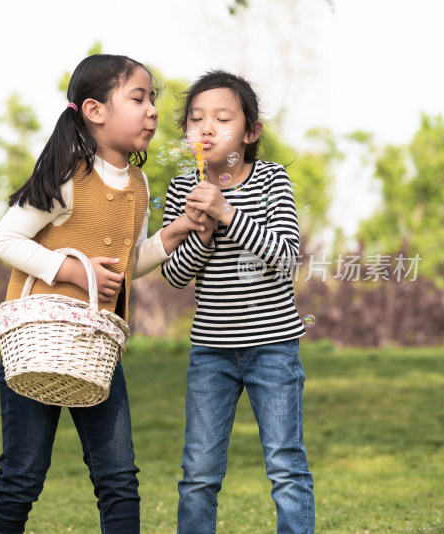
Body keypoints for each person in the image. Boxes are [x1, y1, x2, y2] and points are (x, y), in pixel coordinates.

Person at [0, 54, 203, 534]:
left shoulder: (140, 185)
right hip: (37, 343)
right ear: (94, 110)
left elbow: (126, 266)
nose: (151, 111)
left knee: (119, 477)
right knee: (22, 474)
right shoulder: (68, 173)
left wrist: (175, 233)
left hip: (96, 352)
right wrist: (72, 270)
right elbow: (4, 239)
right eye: (138, 98)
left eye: (153, 101)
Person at [160, 70, 315, 534]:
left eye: (222, 118)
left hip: (273, 346)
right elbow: (174, 275)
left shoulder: (272, 181)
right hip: (211, 350)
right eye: (196, 119)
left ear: (251, 133)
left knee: (286, 466)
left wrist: (226, 213)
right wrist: (202, 233)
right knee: (199, 475)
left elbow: (286, 256)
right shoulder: (180, 191)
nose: (206, 128)